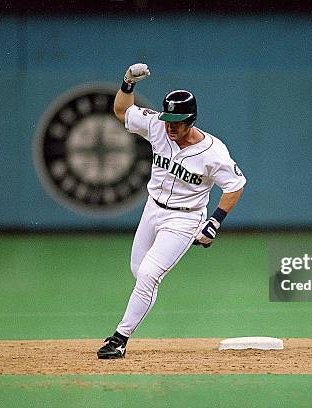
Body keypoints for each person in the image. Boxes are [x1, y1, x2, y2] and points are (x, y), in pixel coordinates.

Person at [97, 63, 246, 359]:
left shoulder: (213, 152)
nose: (170, 126)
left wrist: (214, 223)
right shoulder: (157, 126)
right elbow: (122, 112)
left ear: (191, 120)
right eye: (168, 119)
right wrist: (127, 84)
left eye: (178, 121)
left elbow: (235, 185)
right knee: (139, 272)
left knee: (150, 275)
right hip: (152, 210)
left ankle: (119, 338)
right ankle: (133, 316)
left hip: (185, 218)